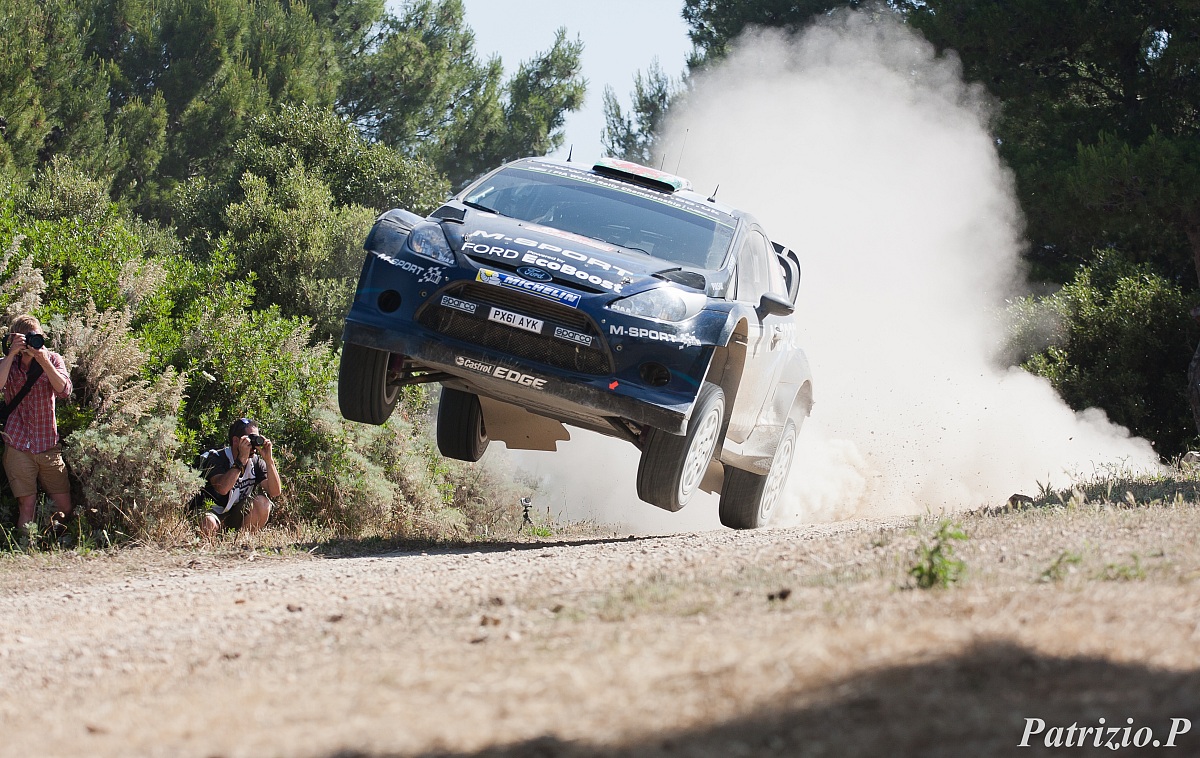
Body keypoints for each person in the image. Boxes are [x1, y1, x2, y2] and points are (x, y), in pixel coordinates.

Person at [0, 314, 74, 535]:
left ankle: (53, 541)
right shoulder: (8, 363)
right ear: (14, 338)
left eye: (36, 337)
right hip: (18, 443)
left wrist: (43, 360)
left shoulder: (53, 359)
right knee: (27, 506)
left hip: (47, 443)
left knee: (64, 507)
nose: (32, 342)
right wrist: (12, 352)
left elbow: (64, 391)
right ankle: (26, 548)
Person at [198, 417, 282, 536]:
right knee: (208, 524)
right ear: (236, 441)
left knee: (263, 503)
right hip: (212, 512)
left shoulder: (255, 462)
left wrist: (269, 460)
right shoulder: (216, 458)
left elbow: (275, 492)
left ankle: (241, 541)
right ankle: (211, 546)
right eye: (250, 439)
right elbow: (222, 488)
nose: (253, 445)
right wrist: (241, 460)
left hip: (235, 513)